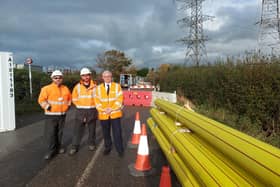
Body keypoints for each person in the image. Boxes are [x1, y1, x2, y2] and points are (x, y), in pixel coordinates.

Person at [38, 70, 71, 160]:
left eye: (60, 77)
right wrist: (48, 107)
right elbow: (41, 100)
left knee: (59, 133)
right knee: (51, 133)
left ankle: (59, 147)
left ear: (62, 78)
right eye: (56, 77)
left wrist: (68, 106)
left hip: (62, 115)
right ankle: (50, 150)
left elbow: (69, 98)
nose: (58, 79)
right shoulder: (46, 88)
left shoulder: (65, 88)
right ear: (52, 78)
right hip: (51, 115)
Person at [69, 67, 98, 155]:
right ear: (81, 76)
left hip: (92, 110)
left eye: (87, 75)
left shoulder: (96, 86)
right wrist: (79, 105)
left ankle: (91, 143)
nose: (86, 77)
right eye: (84, 75)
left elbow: (99, 98)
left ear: (90, 76)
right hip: (80, 110)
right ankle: (74, 146)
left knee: (92, 129)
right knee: (78, 130)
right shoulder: (77, 87)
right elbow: (74, 98)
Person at [95, 70, 124, 157]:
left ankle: (120, 150)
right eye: (105, 76)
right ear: (102, 77)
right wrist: (104, 109)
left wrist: (111, 108)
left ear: (111, 77)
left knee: (117, 133)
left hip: (115, 113)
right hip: (104, 115)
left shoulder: (117, 86)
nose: (107, 78)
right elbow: (97, 101)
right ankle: (107, 148)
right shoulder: (98, 88)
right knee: (106, 133)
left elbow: (120, 99)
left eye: (109, 76)